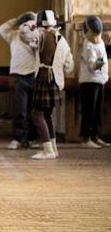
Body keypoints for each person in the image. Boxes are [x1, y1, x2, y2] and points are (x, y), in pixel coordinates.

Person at [30, 10, 73, 160]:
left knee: (37, 114)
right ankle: (53, 149)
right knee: (47, 115)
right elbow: (69, 65)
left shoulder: (41, 35)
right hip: (55, 80)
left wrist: (31, 26)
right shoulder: (62, 40)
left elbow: (27, 37)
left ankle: (48, 149)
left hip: (43, 79)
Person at [0, 12, 39, 149]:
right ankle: (17, 138)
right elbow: (1, 29)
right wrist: (17, 20)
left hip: (34, 75)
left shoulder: (37, 35)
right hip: (19, 76)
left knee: (33, 110)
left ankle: (31, 139)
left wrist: (33, 26)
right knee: (20, 109)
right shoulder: (14, 35)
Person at [78, 15, 108, 148]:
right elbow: (92, 66)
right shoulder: (88, 45)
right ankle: (86, 138)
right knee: (89, 111)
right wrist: (101, 60)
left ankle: (95, 136)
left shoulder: (100, 42)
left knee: (97, 111)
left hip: (100, 81)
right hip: (89, 82)